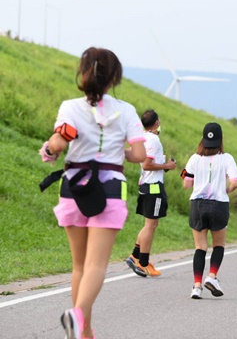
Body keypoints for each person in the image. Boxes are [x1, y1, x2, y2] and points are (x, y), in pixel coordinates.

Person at [39, 47, 146, 339]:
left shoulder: (70, 107)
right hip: (110, 187)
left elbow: (58, 145)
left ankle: (83, 332)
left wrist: (48, 149)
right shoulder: (127, 111)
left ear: (84, 72)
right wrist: (119, 151)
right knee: (96, 264)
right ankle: (78, 317)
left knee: (79, 266)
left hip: (73, 186)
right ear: (114, 78)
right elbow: (139, 154)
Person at [181, 122, 237, 299]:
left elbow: (186, 184)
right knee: (218, 245)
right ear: (221, 140)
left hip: (197, 205)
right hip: (219, 204)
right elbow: (235, 182)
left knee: (200, 247)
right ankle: (212, 276)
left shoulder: (194, 159)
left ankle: (196, 286)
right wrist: (226, 190)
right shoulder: (227, 158)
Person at [126, 110, 177, 278]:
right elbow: (147, 165)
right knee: (151, 225)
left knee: (149, 224)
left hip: (146, 184)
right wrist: (167, 166)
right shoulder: (153, 140)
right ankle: (143, 263)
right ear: (157, 122)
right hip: (153, 187)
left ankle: (135, 256)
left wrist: (163, 165)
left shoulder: (142, 137)